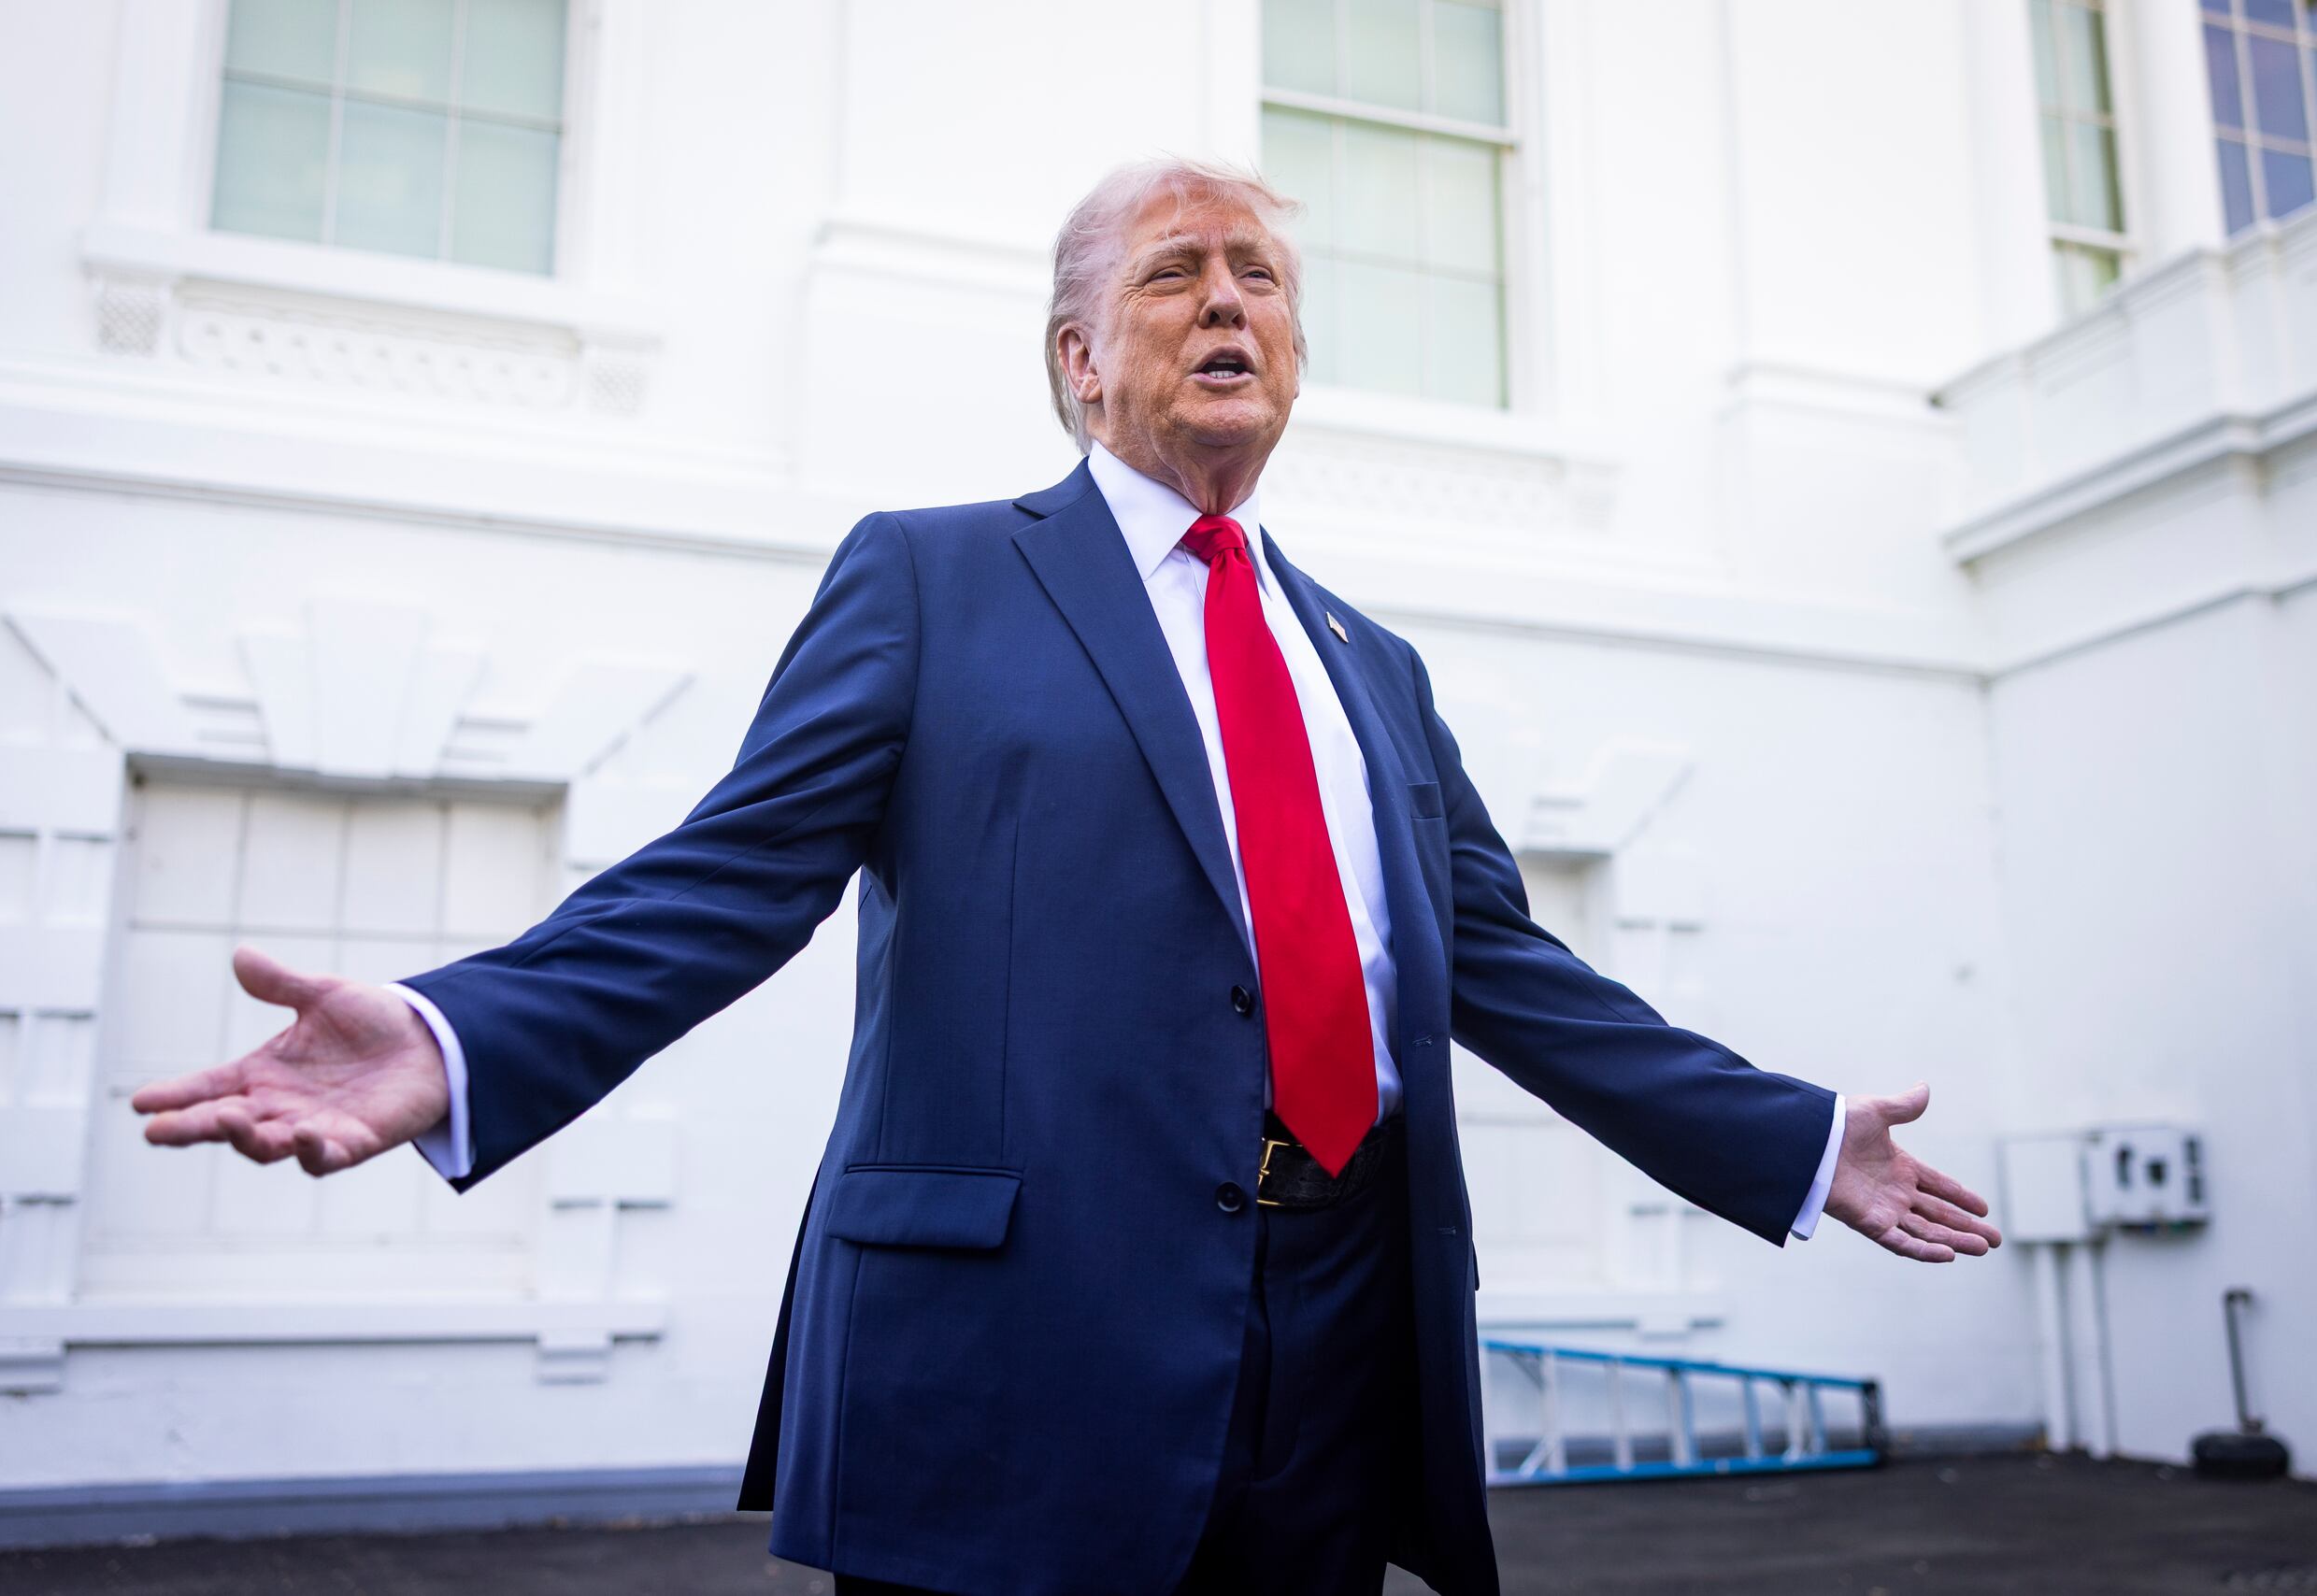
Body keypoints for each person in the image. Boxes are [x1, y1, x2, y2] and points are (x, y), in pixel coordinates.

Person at [132, 157, 2001, 1596]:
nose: (1225, 303)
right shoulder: (933, 578)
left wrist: (1787, 1134)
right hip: (1009, 1361)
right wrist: (457, 1032)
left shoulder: (1371, 663)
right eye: (1172, 272)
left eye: (1258, 277)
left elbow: (1509, 973)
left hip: (1334, 1354)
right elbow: (733, 871)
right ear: (1075, 356)